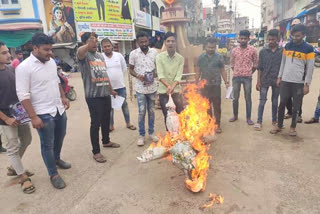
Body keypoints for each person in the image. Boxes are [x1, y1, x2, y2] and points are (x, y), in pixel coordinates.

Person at [16, 33, 71, 189]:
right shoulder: (23, 68)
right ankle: (53, 174)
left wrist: (63, 97)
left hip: (58, 109)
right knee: (47, 144)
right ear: (35, 48)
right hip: (42, 113)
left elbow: (56, 80)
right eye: (46, 50)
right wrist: (33, 117)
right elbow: (23, 95)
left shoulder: (51, 62)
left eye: (51, 49)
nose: (50, 53)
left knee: (60, 137)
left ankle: (57, 159)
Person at [77, 32, 118, 163]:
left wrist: (111, 90)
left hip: (105, 94)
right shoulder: (84, 56)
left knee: (106, 119)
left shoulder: (100, 56)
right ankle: (96, 151)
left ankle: (106, 141)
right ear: (85, 43)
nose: (95, 42)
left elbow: (104, 74)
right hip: (93, 96)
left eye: (96, 40)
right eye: (91, 40)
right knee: (96, 123)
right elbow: (79, 51)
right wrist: (89, 43)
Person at [0, 41, 35, 194]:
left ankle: (15, 167)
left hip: (19, 113)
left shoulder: (10, 69)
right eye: (4, 53)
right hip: (6, 118)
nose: (9, 55)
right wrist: (6, 119)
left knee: (27, 139)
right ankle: (22, 176)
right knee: (12, 146)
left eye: (8, 51)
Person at [270, 24, 315, 136]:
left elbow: (310, 68)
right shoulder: (288, 46)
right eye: (293, 36)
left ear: (304, 35)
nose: (295, 38)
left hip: (299, 82)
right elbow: (283, 63)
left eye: (298, 36)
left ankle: (293, 127)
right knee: (282, 103)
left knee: (296, 106)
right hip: (285, 80)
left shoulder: (308, 49)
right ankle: (279, 125)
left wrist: (307, 84)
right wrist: (280, 77)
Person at [129, 31, 159, 146]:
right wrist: (138, 76)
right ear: (137, 42)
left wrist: (154, 75)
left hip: (152, 88)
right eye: (141, 42)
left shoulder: (154, 53)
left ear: (148, 41)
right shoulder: (133, 54)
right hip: (140, 88)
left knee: (151, 112)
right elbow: (130, 69)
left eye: (145, 41)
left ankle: (151, 133)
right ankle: (141, 135)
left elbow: (158, 67)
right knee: (142, 112)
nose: (143, 44)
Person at [101, 38, 136, 132]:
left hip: (120, 86)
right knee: (109, 107)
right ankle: (111, 126)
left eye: (108, 46)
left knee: (124, 105)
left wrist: (117, 78)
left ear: (112, 46)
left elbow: (124, 69)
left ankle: (128, 123)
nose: (107, 48)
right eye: (105, 47)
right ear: (102, 48)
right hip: (107, 87)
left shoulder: (119, 56)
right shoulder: (100, 57)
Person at [195, 37, 229, 133]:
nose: (211, 49)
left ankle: (217, 125)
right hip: (205, 86)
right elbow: (198, 71)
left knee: (217, 106)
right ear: (205, 46)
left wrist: (226, 82)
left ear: (215, 47)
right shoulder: (201, 58)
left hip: (216, 85)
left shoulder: (219, 57)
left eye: (213, 47)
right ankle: (210, 124)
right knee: (207, 106)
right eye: (209, 47)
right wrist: (196, 82)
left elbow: (222, 70)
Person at [254, 29, 282, 131]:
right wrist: (258, 81)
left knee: (275, 102)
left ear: (277, 39)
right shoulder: (263, 52)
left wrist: (281, 78)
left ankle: (274, 121)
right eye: (269, 39)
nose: (270, 41)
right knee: (262, 101)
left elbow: (283, 67)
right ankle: (259, 121)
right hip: (264, 80)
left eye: (273, 39)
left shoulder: (282, 51)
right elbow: (259, 67)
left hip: (277, 81)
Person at [229, 30, 258, 125]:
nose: (243, 40)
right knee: (235, 98)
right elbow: (232, 64)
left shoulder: (253, 50)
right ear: (239, 39)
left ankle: (248, 118)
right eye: (241, 38)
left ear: (248, 39)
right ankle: (235, 116)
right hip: (236, 77)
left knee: (248, 97)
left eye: (245, 38)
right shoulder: (234, 50)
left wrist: (249, 72)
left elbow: (255, 64)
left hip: (247, 78)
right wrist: (237, 72)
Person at [156, 32, 184, 126]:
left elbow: (178, 76)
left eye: (173, 41)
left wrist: (172, 87)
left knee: (180, 114)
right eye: (168, 41)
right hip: (164, 92)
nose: (170, 43)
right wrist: (168, 86)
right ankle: (170, 137)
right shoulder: (159, 57)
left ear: (176, 43)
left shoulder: (180, 58)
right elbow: (160, 75)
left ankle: (181, 136)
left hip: (176, 91)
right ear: (165, 42)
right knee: (168, 116)